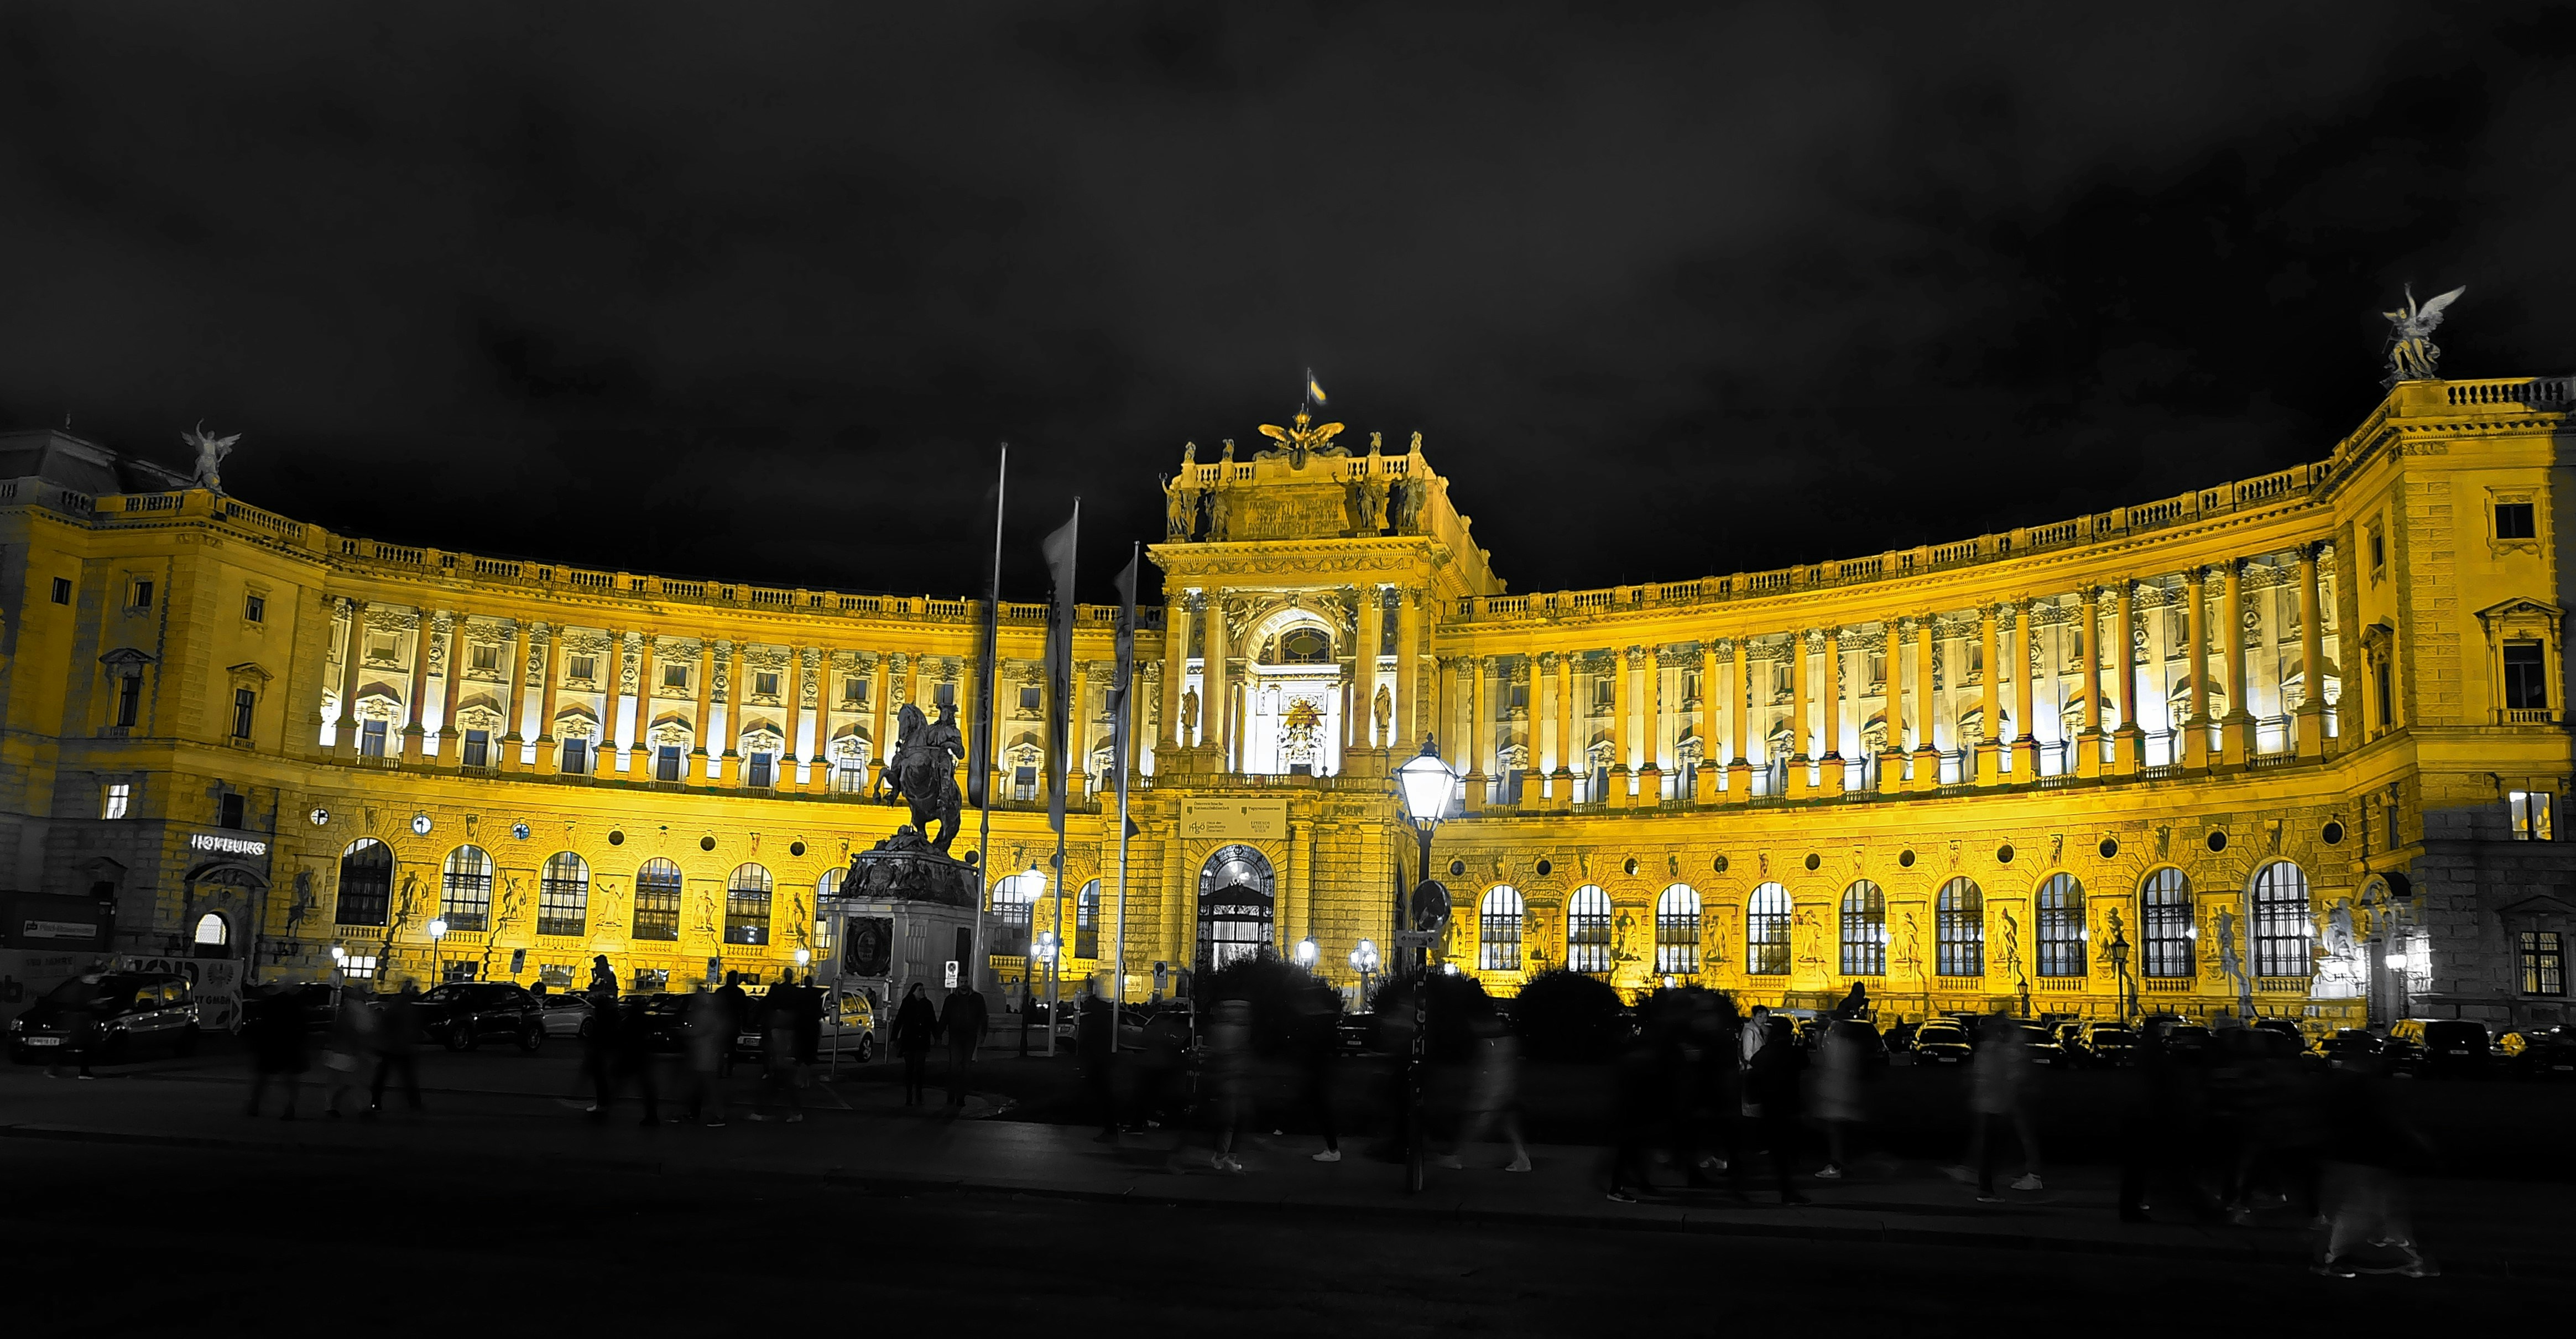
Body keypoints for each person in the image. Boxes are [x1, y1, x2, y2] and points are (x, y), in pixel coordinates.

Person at [1947, 1012, 2042, 1201]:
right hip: (1997, 1104)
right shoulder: (1998, 1048)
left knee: (1993, 1144)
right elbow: (2004, 1075)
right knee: (1996, 1144)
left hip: (1994, 1104)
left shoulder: (1993, 1048)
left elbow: (1993, 1075)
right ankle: (1991, 1183)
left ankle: (1987, 1180)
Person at [243, 984, 309, 1119]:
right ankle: (290, 1108)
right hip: (289, 1046)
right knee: (290, 1080)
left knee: (263, 1079)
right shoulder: (296, 1005)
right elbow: (302, 1028)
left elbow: (259, 1025)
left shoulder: (269, 1003)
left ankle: (254, 1106)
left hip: (270, 1045)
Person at [1204, 999, 1253, 1173]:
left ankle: (1223, 1155)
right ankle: (1223, 1156)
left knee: (1231, 1121)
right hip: (1230, 1081)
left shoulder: (1222, 1029)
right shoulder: (1234, 1031)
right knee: (1231, 1121)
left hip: (1229, 1081)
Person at [1814, 1018, 1866, 1179]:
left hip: (1835, 1097)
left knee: (1836, 1135)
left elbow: (1826, 1066)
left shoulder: (1835, 1046)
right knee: (1844, 1135)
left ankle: (1836, 1166)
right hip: (1849, 1095)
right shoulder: (1853, 1046)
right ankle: (1844, 1164)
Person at [750, 979, 805, 1122]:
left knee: (777, 1084)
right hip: (784, 1056)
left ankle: (762, 1111)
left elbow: (776, 1035)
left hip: (781, 1056)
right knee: (782, 1084)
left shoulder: (778, 1016)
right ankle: (793, 1112)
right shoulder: (790, 1014)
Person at [367, 980, 424, 1115]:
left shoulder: (396, 1007)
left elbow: (384, 1024)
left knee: (383, 1077)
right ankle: (414, 1103)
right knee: (406, 1077)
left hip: (391, 1047)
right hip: (398, 1047)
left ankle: (376, 1102)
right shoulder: (407, 1009)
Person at [321, 983, 376, 1117]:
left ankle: (333, 1107)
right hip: (349, 1051)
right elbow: (362, 1031)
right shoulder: (359, 1010)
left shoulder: (349, 1010)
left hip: (342, 1050)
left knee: (340, 1082)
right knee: (354, 1082)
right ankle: (361, 1108)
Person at [45, 964, 107, 1079]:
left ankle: (80, 1071)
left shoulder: (87, 987)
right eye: (95, 976)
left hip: (82, 1020)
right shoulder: (79, 987)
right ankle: (59, 1069)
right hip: (78, 1021)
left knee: (82, 1046)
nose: (97, 978)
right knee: (75, 1045)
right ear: (87, 976)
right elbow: (77, 1003)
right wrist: (94, 1003)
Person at [680, 983, 729, 1126]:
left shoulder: (704, 1015)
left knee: (709, 1088)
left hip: (704, 1056)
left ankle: (719, 1115)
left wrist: (684, 1033)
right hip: (707, 1055)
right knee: (701, 1087)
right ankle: (695, 1112)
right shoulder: (713, 1014)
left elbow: (697, 1031)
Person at [938, 979, 989, 1108]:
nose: (963, 984)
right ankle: (951, 1094)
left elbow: (983, 1016)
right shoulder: (951, 999)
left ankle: (961, 1096)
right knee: (954, 1066)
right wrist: (938, 1033)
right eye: (961, 981)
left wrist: (983, 1033)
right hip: (955, 1036)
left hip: (969, 1037)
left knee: (966, 1068)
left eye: (965, 981)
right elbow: (944, 1017)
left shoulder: (977, 999)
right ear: (958, 983)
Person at [1076, 988, 1118, 1142]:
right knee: (1103, 1097)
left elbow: (1090, 1042)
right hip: (1100, 1063)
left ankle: (1110, 1130)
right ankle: (1109, 1129)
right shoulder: (1102, 1020)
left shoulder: (1095, 1022)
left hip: (1098, 1064)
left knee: (1103, 1097)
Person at [891, 983, 937, 1106]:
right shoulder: (907, 1003)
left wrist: (937, 1035)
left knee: (920, 1069)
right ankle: (909, 1094)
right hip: (909, 1041)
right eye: (920, 990)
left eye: (923, 990)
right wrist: (894, 1037)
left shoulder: (927, 1004)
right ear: (914, 991)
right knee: (910, 1069)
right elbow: (899, 1020)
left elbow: (932, 1021)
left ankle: (918, 1093)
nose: (922, 992)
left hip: (922, 1041)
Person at [713, 972, 751, 1077]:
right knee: (732, 1048)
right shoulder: (739, 992)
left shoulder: (721, 992)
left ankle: (720, 1069)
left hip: (722, 1023)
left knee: (721, 1048)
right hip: (733, 1023)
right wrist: (745, 1024)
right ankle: (729, 1070)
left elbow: (715, 1008)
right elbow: (744, 1010)